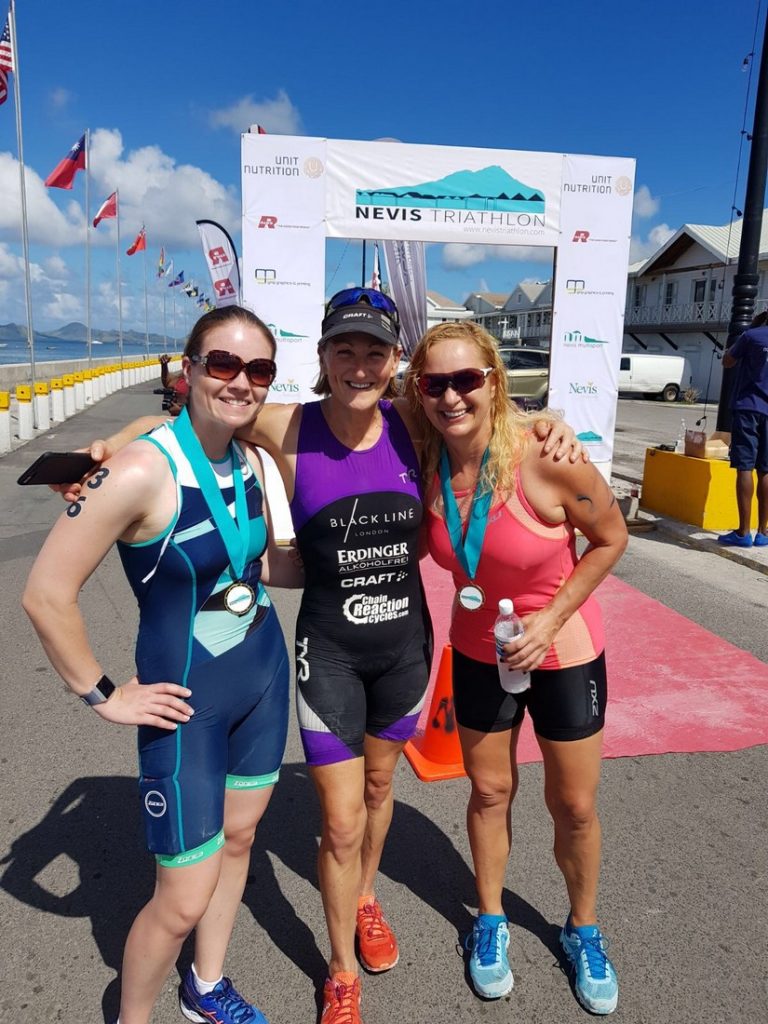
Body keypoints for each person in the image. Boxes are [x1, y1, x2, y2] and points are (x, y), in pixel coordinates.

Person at [74, 289, 584, 1024]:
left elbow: (494, 418)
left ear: (394, 363)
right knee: (340, 821)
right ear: (320, 358)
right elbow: (177, 423)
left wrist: (555, 427)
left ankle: (366, 899)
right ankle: (341, 967)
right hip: (331, 653)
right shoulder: (285, 426)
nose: (358, 364)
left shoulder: (415, 421)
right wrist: (105, 451)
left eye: (374, 351)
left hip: (405, 650)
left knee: (381, 794)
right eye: (343, 349)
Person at [23, 306, 303, 1024]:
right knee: (178, 899)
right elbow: (46, 595)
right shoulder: (142, 468)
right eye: (223, 364)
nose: (241, 382)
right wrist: (104, 694)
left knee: (239, 842)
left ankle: (205, 989)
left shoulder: (247, 457)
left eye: (259, 370)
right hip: (186, 704)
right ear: (188, 370)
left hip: (261, 678)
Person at [405, 320, 628, 1015]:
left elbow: (610, 537)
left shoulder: (543, 454)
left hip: (562, 652)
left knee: (575, 804)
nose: (451, 397)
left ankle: (582, 929)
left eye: (466, 379)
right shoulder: (420, 454)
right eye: (435, 383)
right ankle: (492, 920)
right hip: (476, 651)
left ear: (494, 383)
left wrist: (551, 619)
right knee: (490, 793)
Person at [717, 310, 768, 548]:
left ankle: (743, 532)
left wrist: (752, 328)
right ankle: (763, 532)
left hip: (749, 407)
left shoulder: (752, 335)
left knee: (745, 466)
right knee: (766, 470)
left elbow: (728, 361)